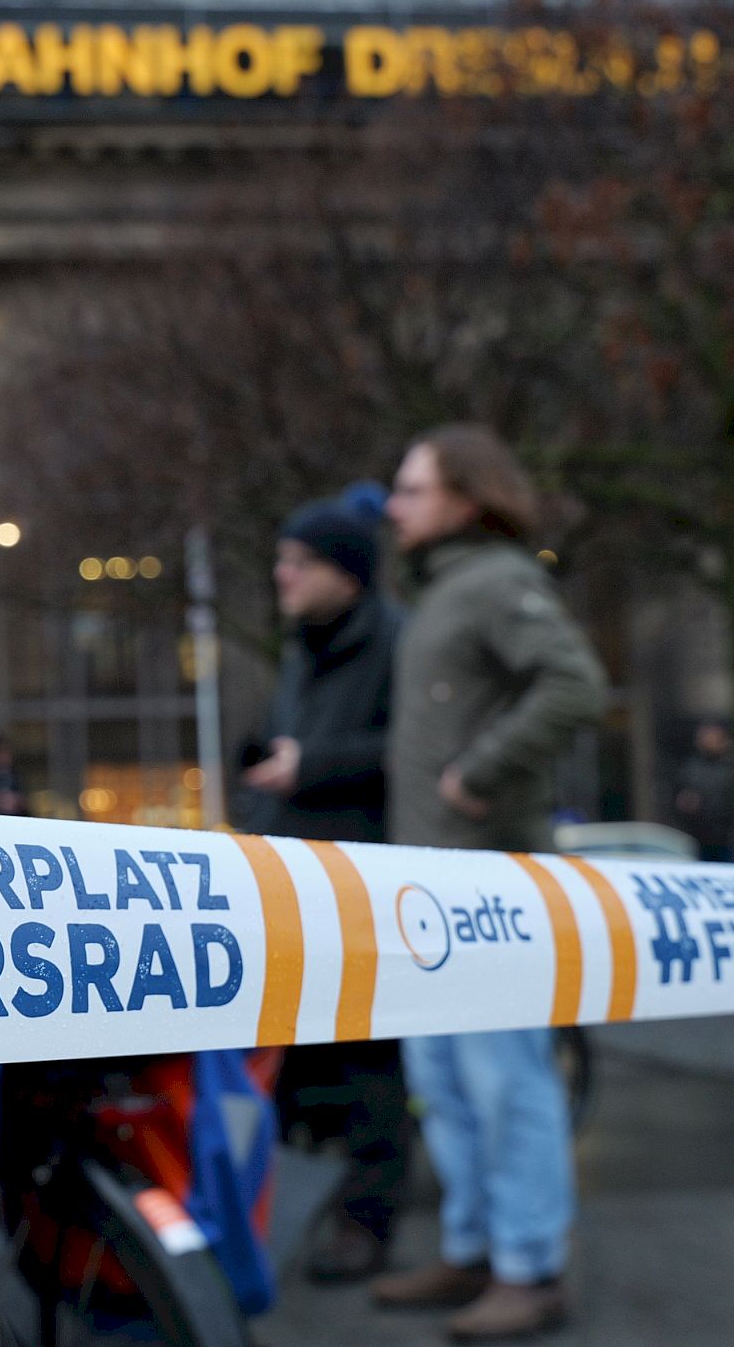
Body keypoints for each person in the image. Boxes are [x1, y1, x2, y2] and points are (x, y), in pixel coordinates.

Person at [369, 425, 607, 1341]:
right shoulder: (444, 592)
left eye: (412, 489)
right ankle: (475, 1250)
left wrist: (478, 774)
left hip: (489, 891)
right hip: (432, 891)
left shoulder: (497, 583)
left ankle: (531, 1267)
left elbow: (575, 684)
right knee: (451, 1082)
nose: (395, 506)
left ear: (465, 500)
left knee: (507, 1083)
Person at [237, 486, 412, 1284]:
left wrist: (315, 764)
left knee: (370, 1063)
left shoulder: (397, 642)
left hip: (370, 883)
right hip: (299, 884)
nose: (282, 575)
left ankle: (368, 1221)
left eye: (298, 562)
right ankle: (285, 1214)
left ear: (346, 572)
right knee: (300, 1065)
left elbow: (411, 749)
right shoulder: (303, 647)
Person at [671, 721, 734, 862]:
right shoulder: (690, 769)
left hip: (728, 838)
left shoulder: (733, 769)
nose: (710, 742)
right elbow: (679, 799)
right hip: (697, 837)